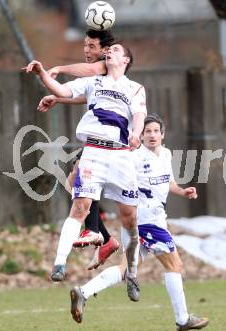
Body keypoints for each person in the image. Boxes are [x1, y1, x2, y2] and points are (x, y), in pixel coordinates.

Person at [25, 42, 147, 300]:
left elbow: (138, 115)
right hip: (93, 152)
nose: (109, 52)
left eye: (115, 50)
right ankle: (59, 264)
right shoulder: (94, 82)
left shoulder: (134, 88)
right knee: (80, 207)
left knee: (130, 219)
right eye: (108, 50)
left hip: (120, 155)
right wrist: (43, 74)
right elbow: (63, 90)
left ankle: (132, 273)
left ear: (126, 60)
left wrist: (136, 134)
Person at [69, 114, 209, 331]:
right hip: (145, 220)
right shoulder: (132, 157)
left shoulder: (166, 154)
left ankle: (83, 292)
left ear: (162, 134)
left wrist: (183, 191)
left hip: (152, 220)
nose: (152, 135)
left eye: (155, 131)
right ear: (140, 136)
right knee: (175, 265)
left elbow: (168, 182)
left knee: (126, 269)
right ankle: (183, 319)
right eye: (147, 131)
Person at [33, 29, 120, 270]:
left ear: (104, 51)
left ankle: (103, 237)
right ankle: (102, 236)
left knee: (128, 212)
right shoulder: (97, 79)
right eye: (84, 45)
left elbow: (92, 70)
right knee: (74, 183)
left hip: (115, 146)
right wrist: (58, 98)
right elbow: (83, 94)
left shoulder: (109, 66)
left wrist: (59, 69)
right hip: (97, 144)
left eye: (91, 46)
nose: (86, 50)